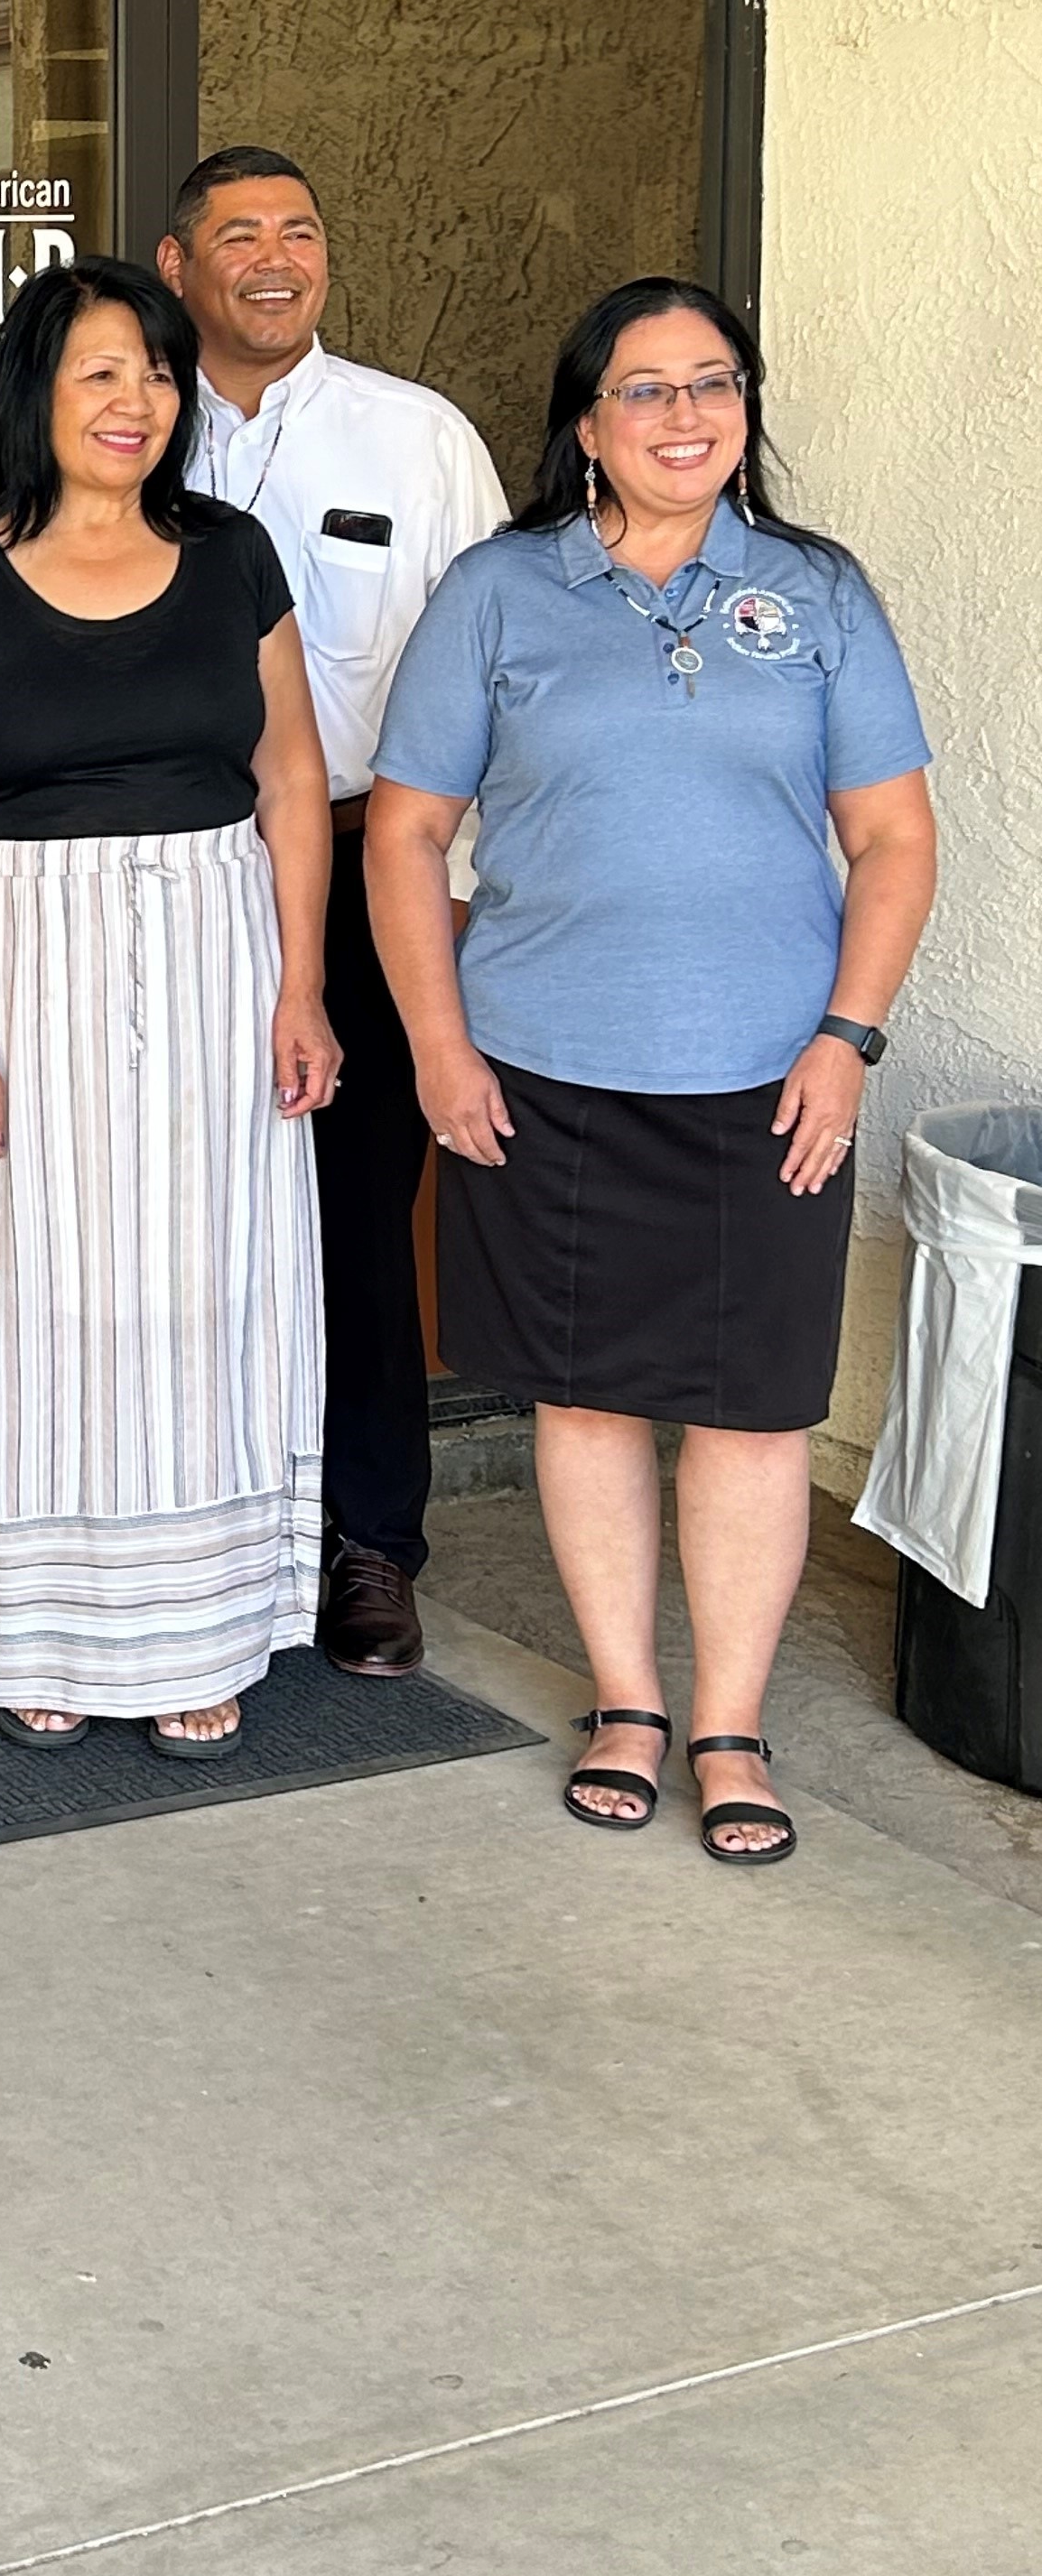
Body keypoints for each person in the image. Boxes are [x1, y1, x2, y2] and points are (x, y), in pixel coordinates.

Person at [368, 278, 936, 1865]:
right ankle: (627, 1700)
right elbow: (407, 832)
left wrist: (849, 1039)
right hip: (542, 1068)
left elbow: (892, 837)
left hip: (770, 1078)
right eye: (646, 390)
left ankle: (732, 1723)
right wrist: (436, 1043)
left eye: (714, 384)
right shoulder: (500, 593)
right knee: (589, 1398)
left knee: (753, 1413)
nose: (686, 416)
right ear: (585, 426)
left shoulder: (818, 593)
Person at [0, 257, 338, 1753]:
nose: (133, 400)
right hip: (22, 967)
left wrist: (304, 986)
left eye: (153, 371)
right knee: (38, 1294)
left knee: (208, 1288)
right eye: (97, 373)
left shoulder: (234, 558)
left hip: (215, 959)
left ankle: (196, 1629)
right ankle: (44, 1633)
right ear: (36, 395)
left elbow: (287, 782)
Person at [157, 144, 507, 1681]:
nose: (276, 256)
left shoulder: (416, 440)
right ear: (179, 266)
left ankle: (371, 1546)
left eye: (301, 228)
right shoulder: (125, 424)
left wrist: (458, 909)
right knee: (174, 1219)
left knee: (356, 1229)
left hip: (368, 878)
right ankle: (190, 1529)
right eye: (240, 233)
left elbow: (495, 676)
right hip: (162, 884)